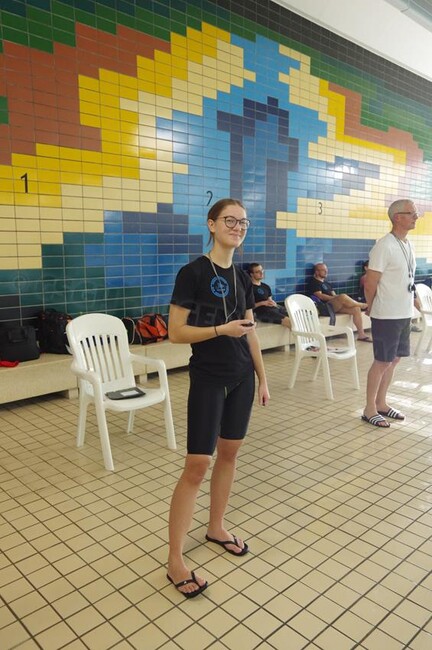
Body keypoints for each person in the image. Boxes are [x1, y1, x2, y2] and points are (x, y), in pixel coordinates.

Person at [167, 198, 270, 597]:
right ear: (211, 224)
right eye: (230, 220)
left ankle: (216, 527)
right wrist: (219, 331)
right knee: (197, 465)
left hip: (242, 378)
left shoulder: (242, 277)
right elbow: (176, 333)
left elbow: (250, 332)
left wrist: (262, 378)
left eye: (243, 222)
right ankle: (175, 559)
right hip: (209, 378)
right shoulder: (192, 273)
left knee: (229, 454)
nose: (238, 227)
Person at [362, 199, 419, 427]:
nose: (416, 217)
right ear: (397, 217)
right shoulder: (383, 246)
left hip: (403, 312)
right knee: (382, 361)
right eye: (412, 213)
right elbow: (370, 283)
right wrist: (372, 307)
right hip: (386, 314)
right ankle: (369, 409)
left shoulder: (407, 244)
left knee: (394, 359)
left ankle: (382, 403)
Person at [307, 263, 372, 342]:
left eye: (326, 270)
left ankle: (361, 335)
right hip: (324, 307)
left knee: (356, 309)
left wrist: (338, 298)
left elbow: (334, 295)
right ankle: (362, 305)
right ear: (317, 272)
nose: (326, 272)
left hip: (333, 306)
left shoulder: (326, 283)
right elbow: (320, 296)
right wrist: (338, 298)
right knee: (343, 296)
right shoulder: (314, 282)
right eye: (323, 270)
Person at [248, 263, 291, 327]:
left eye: (262, 270)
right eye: (258, 272)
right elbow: (247, 308)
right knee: (290, 322)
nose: (261, 273)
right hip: (261, 312)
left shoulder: (266, 286)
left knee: (295, 317)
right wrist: (262, 303)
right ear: (251, 274)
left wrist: (273, 303)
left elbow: (269, 301)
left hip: (273, 309)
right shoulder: (249, 288)